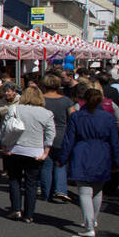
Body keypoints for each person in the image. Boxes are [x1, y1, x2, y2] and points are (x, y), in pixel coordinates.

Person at [57, 88, 119, 237]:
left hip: (82, 152)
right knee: (98, 190)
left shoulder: (77, 117)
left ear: (84, 99)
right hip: (102, 152)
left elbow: (69, 140)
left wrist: (62, 159)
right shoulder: (108, 117)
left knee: (85, 191)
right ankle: (93, 220)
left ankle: (89, 225)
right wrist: (117, 162)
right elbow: (115, 142)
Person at [1, 85, 56, 223]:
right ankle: (29, 214)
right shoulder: (46, 113)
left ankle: (16, 209)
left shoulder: (15, 109)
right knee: (31, 183)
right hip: (35, 150)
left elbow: (5, 128)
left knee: (15, 179)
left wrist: (4, 146)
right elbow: (50, 134)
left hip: (15, 148)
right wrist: (46, 152)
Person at [40, 73, 73, 205]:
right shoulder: (66, 101)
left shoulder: (40, 100)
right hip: (61, 135)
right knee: (60, 163)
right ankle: (61, 190)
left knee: (46, 164)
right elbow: (73, 117)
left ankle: (46, 192)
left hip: (44, 135)